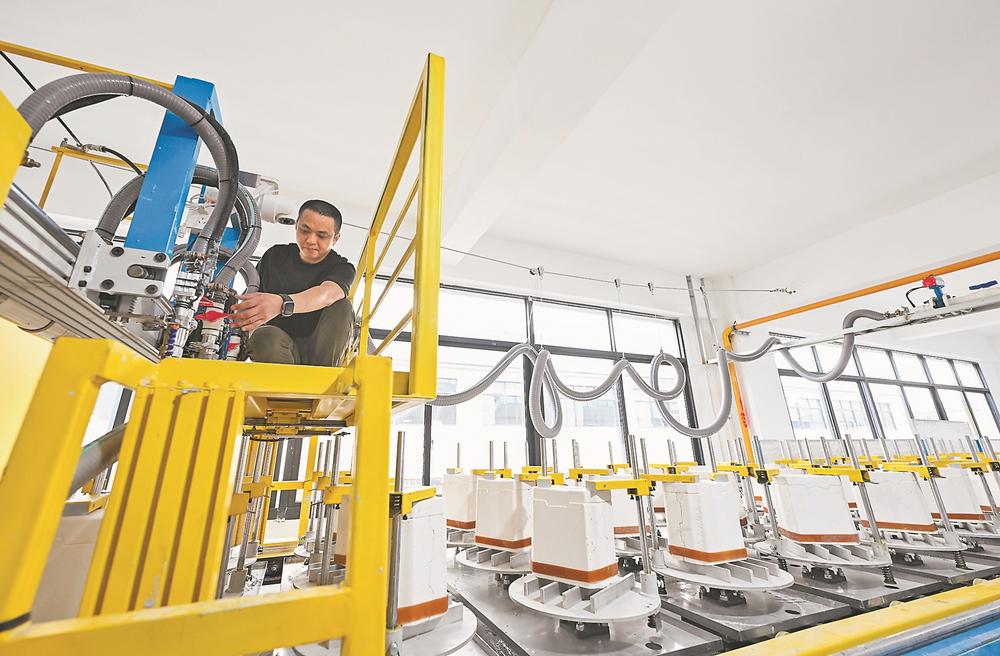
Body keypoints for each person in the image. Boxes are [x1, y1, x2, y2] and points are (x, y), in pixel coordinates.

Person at [234, 199, 356, 367]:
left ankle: (321, 380)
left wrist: (282, 304)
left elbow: (328, 294)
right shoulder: (274, 256)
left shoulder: (342, 267)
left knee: (342, 306)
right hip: (277, 348)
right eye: (305, 230)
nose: (311, 240)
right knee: (264, 336)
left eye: (321, 235)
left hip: (320, 354)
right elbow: (252, 298)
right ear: (296, 226)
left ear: (335, 239)